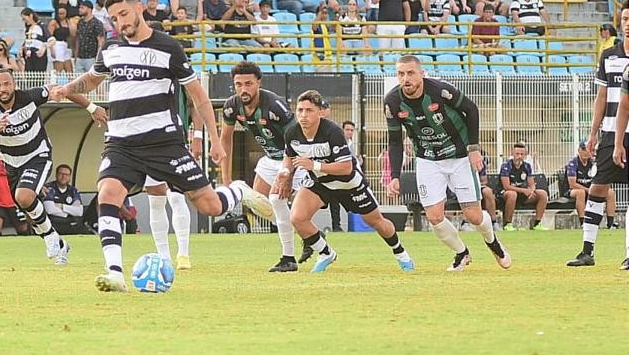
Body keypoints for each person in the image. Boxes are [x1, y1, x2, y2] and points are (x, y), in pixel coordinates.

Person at [50, 0, 272, 292]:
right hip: (122, 144)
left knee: (209, 206)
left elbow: (199, 97)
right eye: (114, 18)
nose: (120, 22)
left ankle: (237, 191)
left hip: (164, 144)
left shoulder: (169, 48)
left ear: (139, 8)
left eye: (124, 14)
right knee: (108, 194)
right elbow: (91, 79)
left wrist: (215, 140)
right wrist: (67, 88)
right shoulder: (111, 47)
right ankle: (115, 272)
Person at [386, 56, 511, 271]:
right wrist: (394, 175)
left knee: (473, 215)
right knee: (434, 216)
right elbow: (395, 140)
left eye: (410, 73)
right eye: (401, 74)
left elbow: (471, 110)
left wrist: (473, 149)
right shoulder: (392, 101)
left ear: (421, 74)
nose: (405, 78)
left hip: (460, 155)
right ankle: (461, 253)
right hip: (427, 160)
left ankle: (493, 242)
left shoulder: (440, 91)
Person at [271, 90, 413, 274]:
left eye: (309, 110)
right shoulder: (292, 132)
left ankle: (400, 252)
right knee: (297, 218)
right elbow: (289, 157)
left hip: (349, 184)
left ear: (320, 112)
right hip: (320, 183)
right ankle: (325, 252)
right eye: (300, 110)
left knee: (377, 222)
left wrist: (314, 165)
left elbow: (346, 167)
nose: (303, 115)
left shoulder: (332, 131)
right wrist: (284, 175)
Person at [0, 68, 91, 265]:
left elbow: (61, 90)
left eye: (6, 84)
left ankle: (51, 239)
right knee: (25, 204)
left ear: (14, 85)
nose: (3, 89)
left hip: (38, 156)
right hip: (11, 164)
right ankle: (59, 243)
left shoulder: (28, 97)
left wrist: (92, 108)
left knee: (24, 196)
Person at [217, 62, 301, 272]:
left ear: (258, 83)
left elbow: (296, 139)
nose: (243, 89)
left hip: (293, 158)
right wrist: (226, 179)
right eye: (238, 84)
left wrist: (288, 172)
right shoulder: (231, 106)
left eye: (248, 84)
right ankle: (303, 233)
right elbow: (225, 140)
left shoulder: (274, 105)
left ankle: (305, 239)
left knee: (295, 210)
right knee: (257, 203)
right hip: (269, 159)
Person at [575, 5, 629, 267]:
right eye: (625, 19)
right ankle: (587, 251)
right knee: (597, 187)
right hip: (610, 132)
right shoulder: (609, 56)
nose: (628, 23)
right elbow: (602, 96)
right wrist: (593, 133)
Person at [566, 141, 617, 229]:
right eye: (584, 149)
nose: (587, 152)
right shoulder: (573, 163)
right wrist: (588, 190)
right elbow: (572, 184)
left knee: (610, 192)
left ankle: (611, 223)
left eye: (589, 149)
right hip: (573, 191)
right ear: (579, 150)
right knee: (580, 193)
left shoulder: (594, 163)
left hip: (591, 189)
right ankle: (583, 222)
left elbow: (601, 178)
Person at [499, 142, 547, 231]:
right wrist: (523, 190)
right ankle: (508, 224)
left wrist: (531, 191)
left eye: (522, 154)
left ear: (525, 155)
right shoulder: (506, 166)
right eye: (517, 154)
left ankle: (537, 223)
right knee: (512, 194)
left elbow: (531, 183)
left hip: (522, 194)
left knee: (542, 194)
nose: (519, 156)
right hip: (505, 194)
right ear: (512, 154)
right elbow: (506, 186)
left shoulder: (527, 166)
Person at [42, 165, 85, 235]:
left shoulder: (73, 190)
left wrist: (61, 206)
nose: (63, 177)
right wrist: (68, 213)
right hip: (52, 224)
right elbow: (49, 210)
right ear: (56, 175)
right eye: (61, 174)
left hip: (69, 224)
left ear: (70, 177)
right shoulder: (49, 188)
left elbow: (79, 212)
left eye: (66, 174)